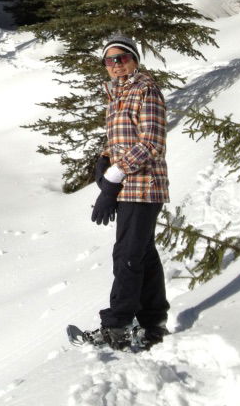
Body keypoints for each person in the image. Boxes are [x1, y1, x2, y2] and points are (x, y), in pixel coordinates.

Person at [84, 34, 170, 351]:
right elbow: (121, 140)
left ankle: (117, 325)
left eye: (121, 58)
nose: (116, 65)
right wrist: (105, 158)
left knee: (127, 255)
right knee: (143, 253)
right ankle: (153, 322)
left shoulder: (145, 90)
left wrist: (114, 176)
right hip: (129, 188)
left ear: (134, 60)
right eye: (110, 60)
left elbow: (151, 143)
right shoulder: (118, 95)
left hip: (144, 186)